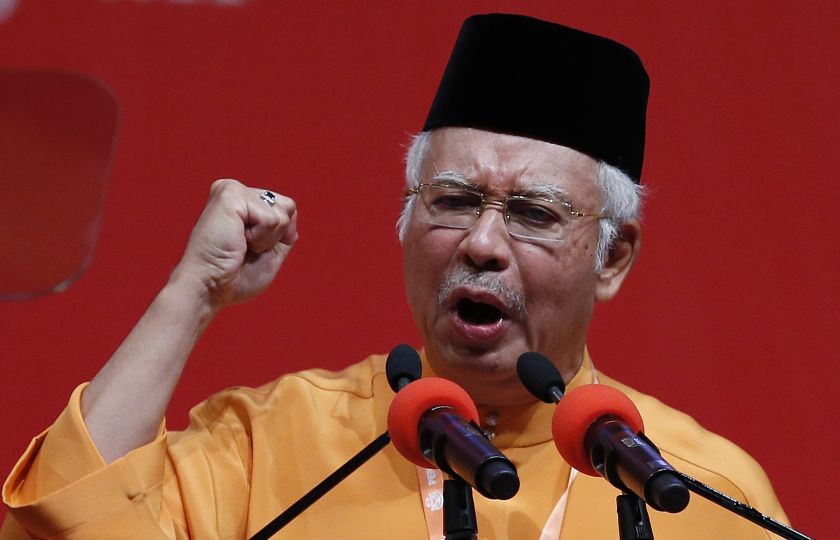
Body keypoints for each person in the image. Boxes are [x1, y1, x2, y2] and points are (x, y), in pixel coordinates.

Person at [2, 13, 787, 539]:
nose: (481, 243)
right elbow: (59, 523)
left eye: (533, 213)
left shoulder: (695, 490)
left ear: (612, 257)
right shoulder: (271, 442)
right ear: (407, 220)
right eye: (451, 201)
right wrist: (193, 291)